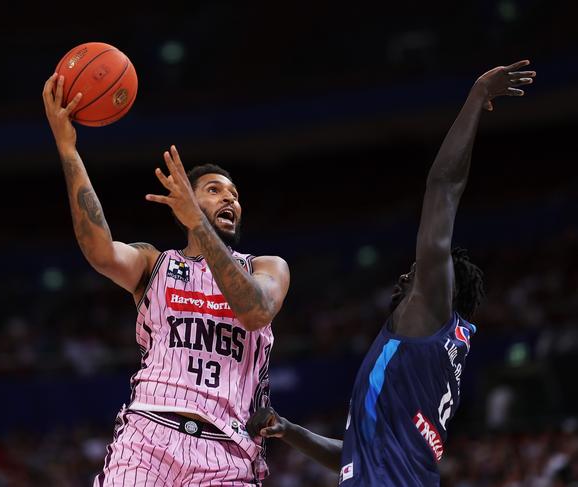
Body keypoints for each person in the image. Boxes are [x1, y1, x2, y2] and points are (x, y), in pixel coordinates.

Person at [246, 60, 535, 486]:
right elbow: (354, 455)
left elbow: (443, 188)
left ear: (441, 285)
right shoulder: (431, 351)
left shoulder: (430, 314)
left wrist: (476, 96)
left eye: (416, 272)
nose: (403, 279)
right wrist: (289, 430)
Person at [42, 73, 290, 486]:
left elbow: (254, 311)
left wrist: (201, 223)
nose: (231, 198)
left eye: (234, 194)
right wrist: (68, 149)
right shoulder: (153, 264)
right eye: (214, 190)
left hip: (227, 454)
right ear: (184, 205)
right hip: (147, 440)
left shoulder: (267, 266)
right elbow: (98, 250)